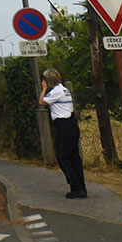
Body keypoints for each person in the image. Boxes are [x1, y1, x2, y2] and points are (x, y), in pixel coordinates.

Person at [40, 68, 86, 198]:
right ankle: (81, 187)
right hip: (71, 123)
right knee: (73, 157)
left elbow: (42, 101)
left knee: (62, 156)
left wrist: (43, 89)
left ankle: (75, 185)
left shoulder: (56, 91)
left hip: (63, 125)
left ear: (48, 81)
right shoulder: (64, 90)